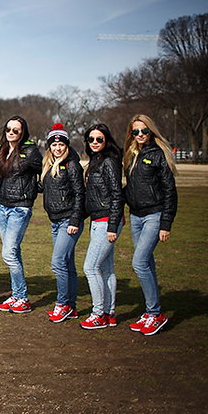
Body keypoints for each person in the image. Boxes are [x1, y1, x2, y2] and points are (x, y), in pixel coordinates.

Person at [123, 115, 178, 336]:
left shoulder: (158, 154)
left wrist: (166, 223)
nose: (140, 136)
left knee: (138, 263)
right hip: (136, 216)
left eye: (144, 131)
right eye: (136, 132)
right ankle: (150, 311)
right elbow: (131, 188)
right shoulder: (132, 154)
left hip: (154, 216)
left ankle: (156, 313)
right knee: (148, 264)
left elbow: (169, 192)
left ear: (151, 132)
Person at [0, 116, 42, 314]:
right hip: (3, 206)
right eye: (9, 129)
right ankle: (16, 295)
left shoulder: (30, 152)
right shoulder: (3, 150)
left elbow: (45, 170)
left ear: (23, 132)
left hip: (20, 207)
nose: (12, 133)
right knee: (14, 252)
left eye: (16, 130)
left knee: (8, 253)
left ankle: (22, 298)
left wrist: (36, 188)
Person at [80, 123, 124, 330]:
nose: (95, 143)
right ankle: (109, 313)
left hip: (106, 221)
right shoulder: (95, 162)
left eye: (99, 139)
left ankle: (98, 313)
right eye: (91, 139)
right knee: (106, 269)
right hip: (98, 220)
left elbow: (117, 195)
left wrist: (113, 226)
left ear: (107, 140)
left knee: (90, 267)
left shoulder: (109, 162)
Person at [40, 123, 85, 323]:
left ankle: (62, 304)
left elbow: (79, 194)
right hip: (55, 221)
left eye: (61, 144)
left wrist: (75, 220)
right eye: (54, 144)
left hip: (69, 221)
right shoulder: (49, 164)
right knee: (67, 264)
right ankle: (71, 306)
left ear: (66, 145)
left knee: (58, 262)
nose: (58, 148)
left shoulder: (72, 165)